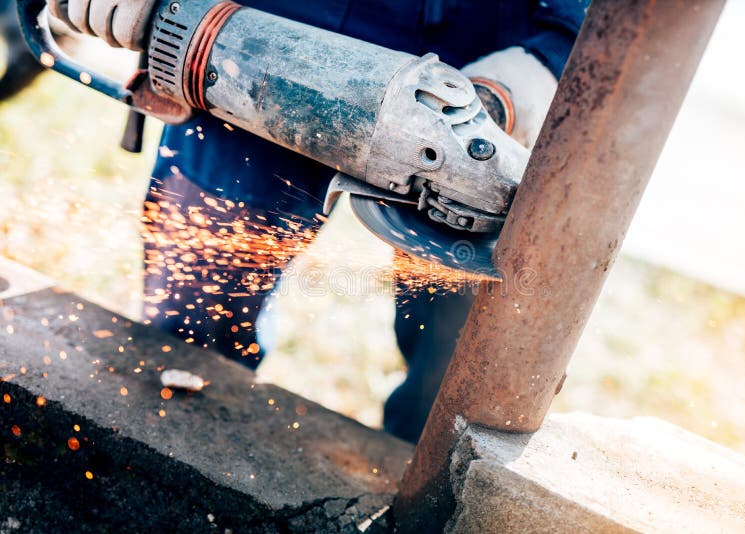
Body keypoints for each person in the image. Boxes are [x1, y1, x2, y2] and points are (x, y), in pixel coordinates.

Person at [48, 0, 589, 443]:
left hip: (483, 55)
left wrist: (546, 57)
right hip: (259, 32)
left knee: (457, 385)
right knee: (194, 320)